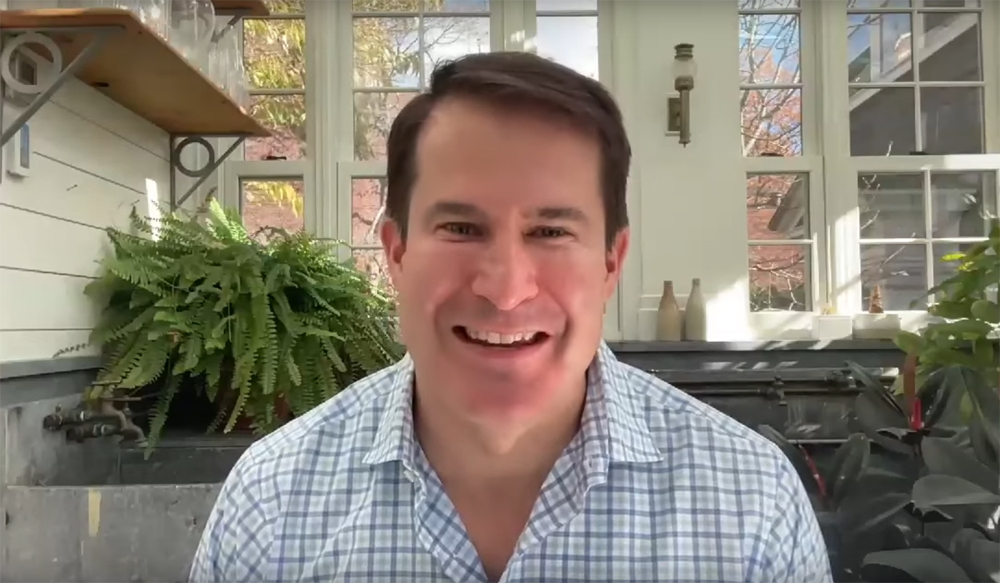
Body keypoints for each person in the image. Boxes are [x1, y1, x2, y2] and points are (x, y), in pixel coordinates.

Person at [189, 51, 831, 583]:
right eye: (462, 227)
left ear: (611, 262)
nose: (505, 289)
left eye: (550, 230)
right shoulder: (269, 505)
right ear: (396, 252)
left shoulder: (752, 507)